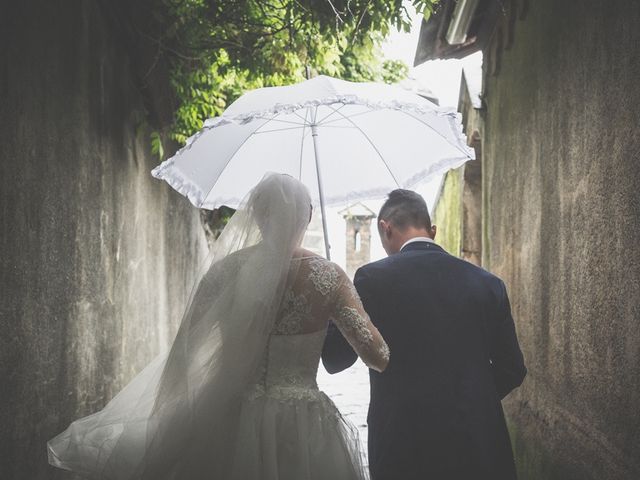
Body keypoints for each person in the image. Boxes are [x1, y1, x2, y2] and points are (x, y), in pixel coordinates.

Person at [47, 173, 389, 480]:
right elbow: (378, 356)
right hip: (302, 424)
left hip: (230, 419)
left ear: (256, 215)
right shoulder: (330, 276)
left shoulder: (226, 271)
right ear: (308, 216)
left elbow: (184, 353)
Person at [322, 189, 527, 480]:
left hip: (404, 442)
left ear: (385, 228)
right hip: (477, 441)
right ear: (432, 231)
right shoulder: (489, 284)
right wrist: (468, 397)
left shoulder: (371, 279)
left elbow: (334, 359)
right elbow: (513, 368)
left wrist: (335, 302)